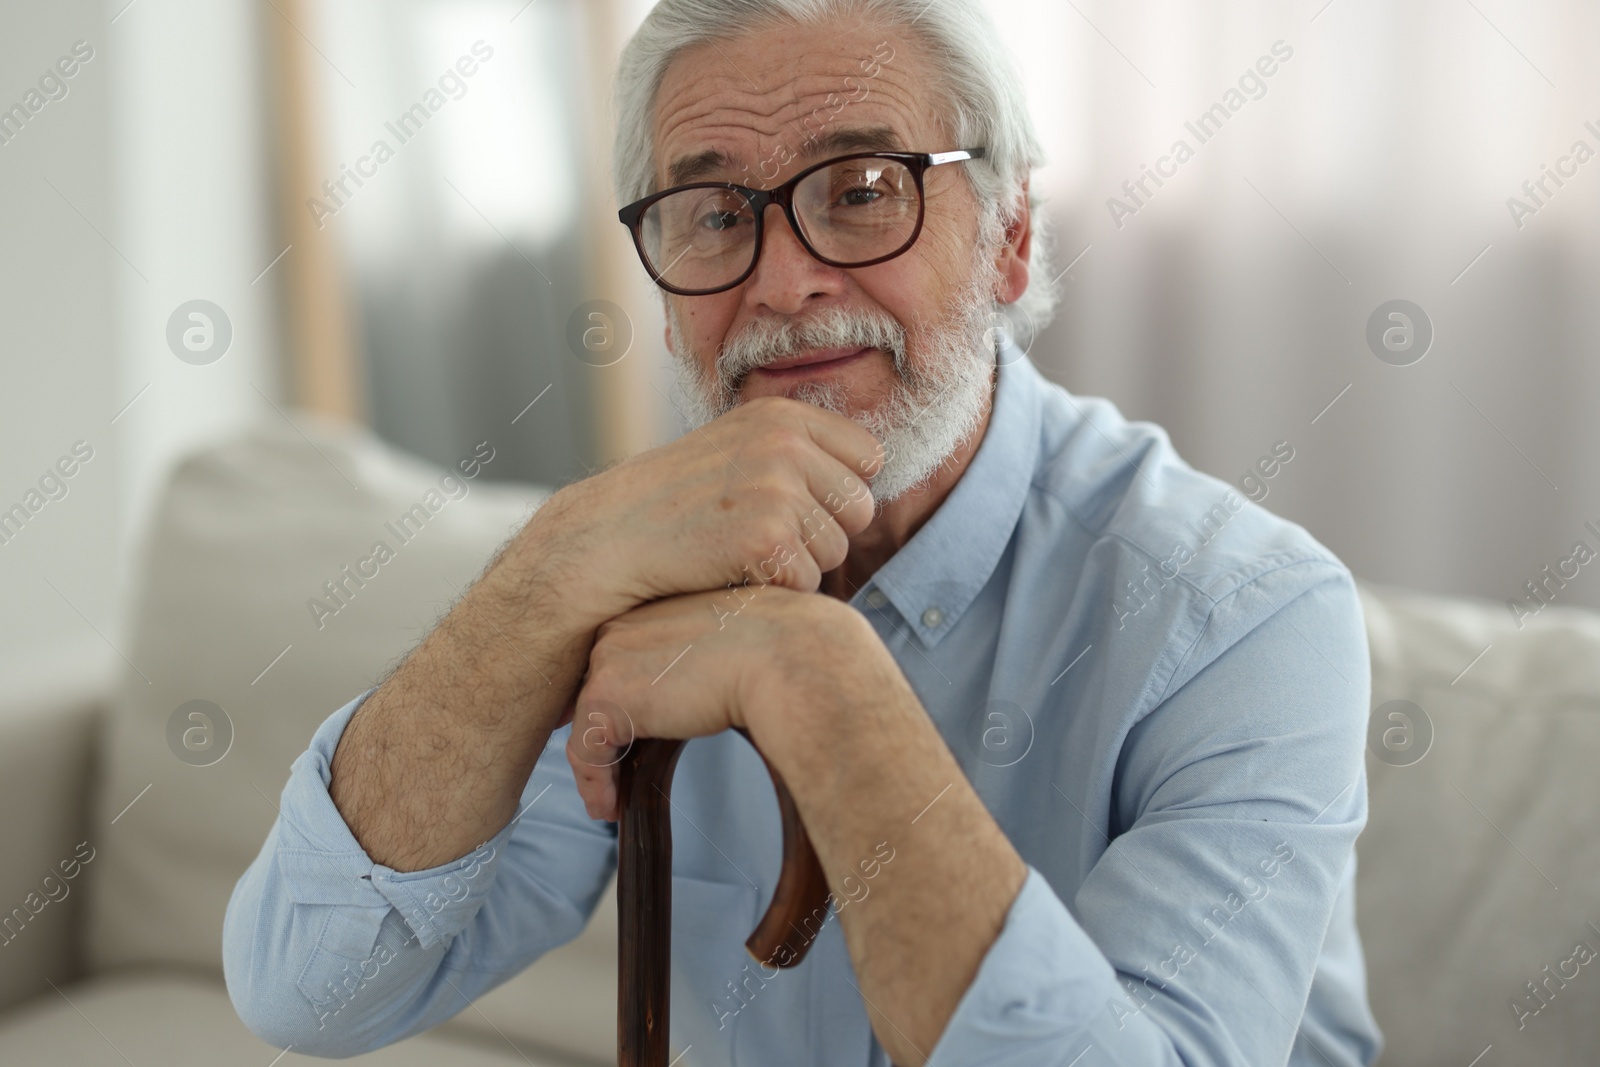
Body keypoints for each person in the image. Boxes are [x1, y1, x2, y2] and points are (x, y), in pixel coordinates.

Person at [224, 1, 1382, 1063]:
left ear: (1011, 234)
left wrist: (816, 675)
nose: (785, 282)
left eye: (864, 188)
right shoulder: (636, 563)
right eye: (715, 214)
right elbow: (311, 990)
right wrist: (552, 566)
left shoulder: (1250, 616)